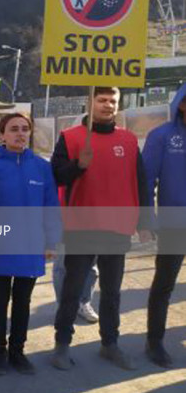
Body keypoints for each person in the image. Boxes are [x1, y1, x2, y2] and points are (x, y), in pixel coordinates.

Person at [50, 87, 151, 371]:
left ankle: (110, 344)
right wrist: (77, 166)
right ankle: (61, 345)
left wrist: (145, 223)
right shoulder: (70, 138)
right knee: (72, 289)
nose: (108, 105)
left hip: (117, 228)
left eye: (113, 101)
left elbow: (141, 183)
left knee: (112, 292)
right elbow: (56, 175)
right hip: (81, 226)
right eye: (102, 99)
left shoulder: (129, 140)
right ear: (90, 102)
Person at [0, 113, 62, 376]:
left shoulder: (41, 166)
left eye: (25, 129)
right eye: (14, 129)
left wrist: (51, 241)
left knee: (23, 300)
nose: (20, 133)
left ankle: (18, 351)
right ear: (1, 135)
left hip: (32, 245)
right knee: (0, 300)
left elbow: (50, 206)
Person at [142, 84, 186, 368]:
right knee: (164, 285)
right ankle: (154, 341)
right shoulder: (162, 136)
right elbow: (146, 180)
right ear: (182, 104)